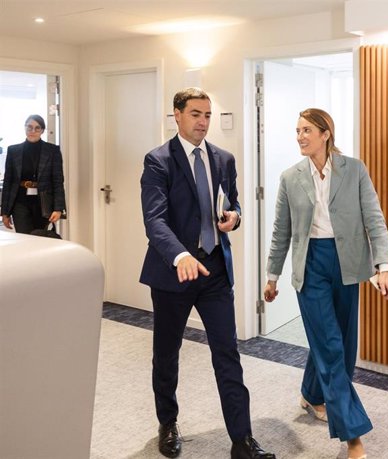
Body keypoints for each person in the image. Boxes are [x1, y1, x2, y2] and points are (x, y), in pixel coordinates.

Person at [140, 88, 274, 459]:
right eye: (196, 114)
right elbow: (155, 221)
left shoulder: (223, 159)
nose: (203, 122)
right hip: (174, 275)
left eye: (207, 115)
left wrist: (235, 217)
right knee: (166, 354)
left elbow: (232, 204)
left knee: (227, 353)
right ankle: (168, 423)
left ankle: (241, 441)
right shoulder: (158, 161)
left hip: (214, 271)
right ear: (177, 115)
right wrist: (179, 254)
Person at [263, 108, 388, 459]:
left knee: (342, 345)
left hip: (349, 265)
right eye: (297, 131)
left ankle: (312, 393)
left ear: (326, 133)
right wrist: (272, 276)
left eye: (306, 130)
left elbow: (374, 218)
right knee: (331, 347)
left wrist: (385, 266)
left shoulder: (354, 169)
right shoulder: (291, 177)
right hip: (311, 268)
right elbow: (282, 231)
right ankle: (351, 434)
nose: (300, 137)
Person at [1, 114, 66, 234]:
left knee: (40, 237)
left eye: (37, 128)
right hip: (19, 202)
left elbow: (58, 181)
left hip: (44, 202)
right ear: (25, 128)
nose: (33, 131)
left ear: (42, 130)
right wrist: (5, 212)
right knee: (24, 237)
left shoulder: (52, 151)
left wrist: (58, 208)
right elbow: (8, 182)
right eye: (29, 127)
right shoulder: (13, 151)